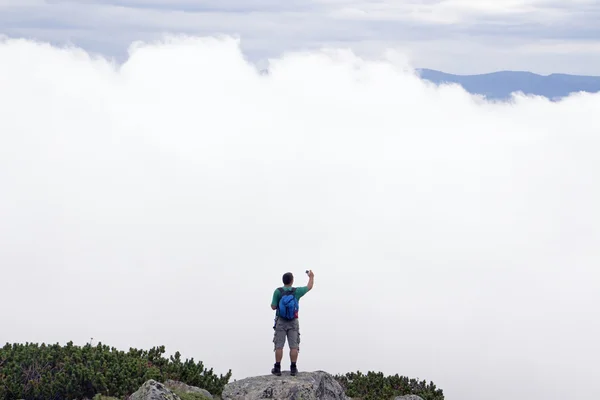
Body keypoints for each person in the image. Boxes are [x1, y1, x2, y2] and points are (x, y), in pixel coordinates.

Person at [270, 270, 314, 376]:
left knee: (279, 345)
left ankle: (277, 368)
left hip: (281, 321)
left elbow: (273, 306)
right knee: (293, 346)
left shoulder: (278, 291)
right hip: (293, 322)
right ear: (292, 281)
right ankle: (293, 368)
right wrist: (311, 277)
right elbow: (309, 287)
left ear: (283, 281)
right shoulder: (296, 291)